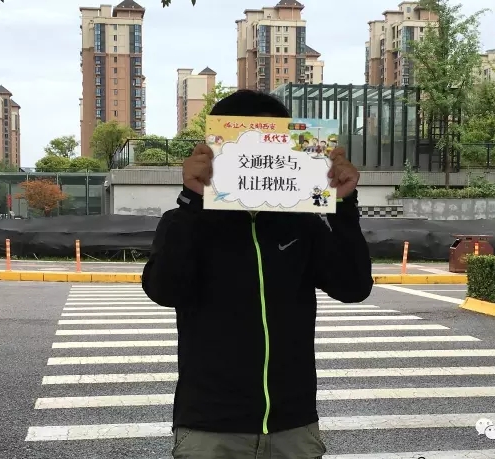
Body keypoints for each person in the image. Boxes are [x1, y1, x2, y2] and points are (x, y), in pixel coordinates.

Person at [142, 90, 373, 459]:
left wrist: (344, 203)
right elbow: (164, 290)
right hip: (209, 427)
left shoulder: (304, 223)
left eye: (275, 139)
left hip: (293, 424)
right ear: (214, 147)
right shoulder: (186, 220)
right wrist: (193, 198)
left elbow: (354, 287)